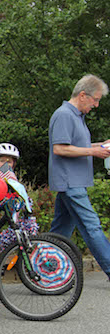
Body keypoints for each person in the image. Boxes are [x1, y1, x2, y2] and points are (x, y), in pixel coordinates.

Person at [48, 74, 110, 279]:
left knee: (60, 232)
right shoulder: (65, 115)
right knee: (92, 226)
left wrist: (101, 146)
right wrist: (94, 152)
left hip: (72, 182)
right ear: (83, 95)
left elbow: (78, 147)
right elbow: (59, 149)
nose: (97, 105)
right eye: (95, 99)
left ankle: (46, 271)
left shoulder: (76, 117)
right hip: (70, 182)